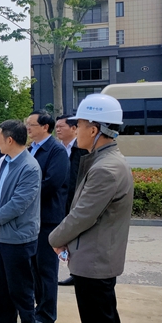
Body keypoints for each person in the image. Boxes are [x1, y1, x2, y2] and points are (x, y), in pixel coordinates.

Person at [49, 94, 134, 323]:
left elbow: (82, 215)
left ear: (94, 130)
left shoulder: (105, 169)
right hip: (95, 257)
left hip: (95, 261)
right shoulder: (105, 161)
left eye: (79, 125)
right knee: (103, 321)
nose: (76, 131)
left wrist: (54, 239)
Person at [0, 120, 42, 323]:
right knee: (2, 281)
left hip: (19, 236)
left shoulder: (29, 167)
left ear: (10, 140)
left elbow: (19, 203)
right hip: (2, 233)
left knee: (20, 286)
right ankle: (5, 322)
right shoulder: (3, 161)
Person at [26, 110, 69, 323]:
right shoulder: (31, 150)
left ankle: (47, 317)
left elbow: (52, 183)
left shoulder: (56, 151)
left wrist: (25, 195)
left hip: (49, 219)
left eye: (31, 124)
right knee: (34, 269)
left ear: (45, 127)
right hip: (33, 219)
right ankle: (39, 309)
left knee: (46, 270)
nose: (27, 128)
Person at [55, 114, 89, 286]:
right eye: (56, 127)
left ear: (74, 128)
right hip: (60, 200)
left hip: (77, 200)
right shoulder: (56, 149)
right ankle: (73, 271)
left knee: (78, 240)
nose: (57, 129)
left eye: (61, 126)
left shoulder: (82, 150)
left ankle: (78, 273)